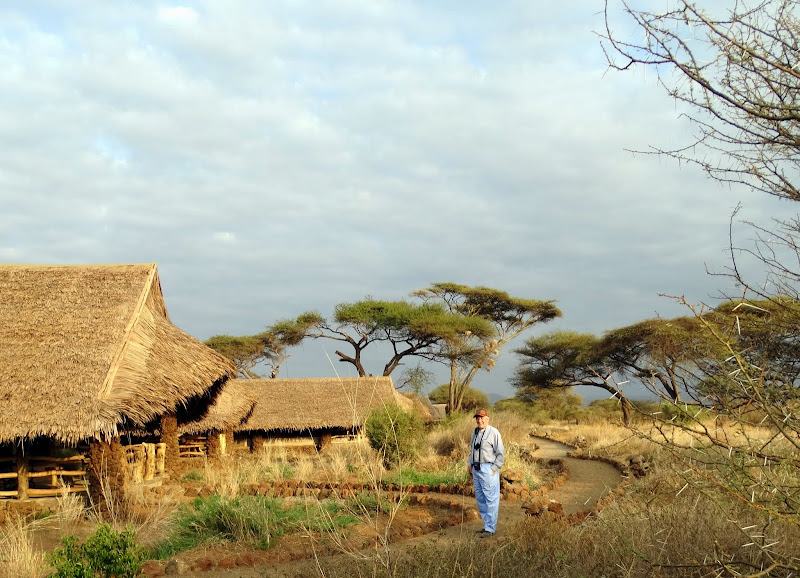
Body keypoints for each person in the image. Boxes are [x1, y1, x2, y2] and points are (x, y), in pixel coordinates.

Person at [467, 408, 505, 536]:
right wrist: (469, 464)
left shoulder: (493, 432)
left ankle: (490, 528)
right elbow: (472, 450)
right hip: (476, 469)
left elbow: (501, 453)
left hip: (488, 468)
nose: (479, 420)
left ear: (487, 419)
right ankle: (486, 525)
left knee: (491, 498)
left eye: (482, 417)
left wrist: (494, 468)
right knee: (481, 498)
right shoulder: (475, 432)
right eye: (477, 417)